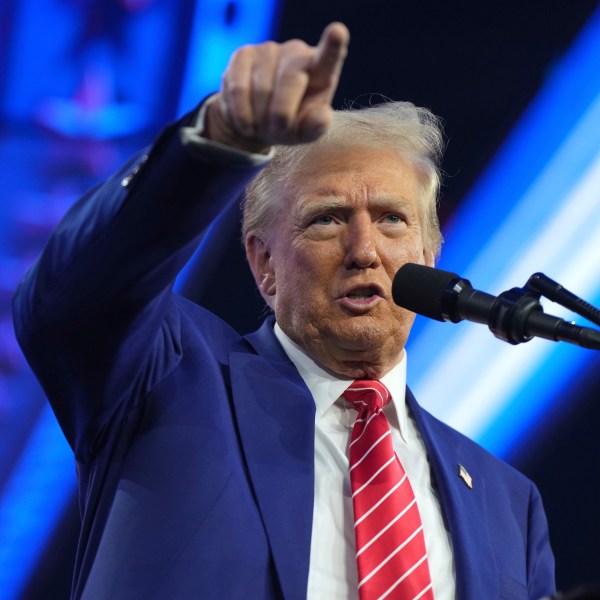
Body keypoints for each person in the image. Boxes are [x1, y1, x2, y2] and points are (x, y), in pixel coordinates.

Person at [13, 22, 555, 600]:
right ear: (263, 263)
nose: (364, 250)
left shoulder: (507, 502)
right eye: (327, 218)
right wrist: (215, 144)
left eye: (393, 219)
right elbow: (73, 295)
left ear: (429, 253)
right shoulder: (169, 377)